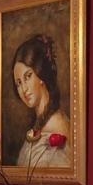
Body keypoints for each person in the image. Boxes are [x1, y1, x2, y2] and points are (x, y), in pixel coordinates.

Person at [12, 34, 72, 170]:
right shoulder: (39, 124)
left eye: (28, 76)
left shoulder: (56, 126)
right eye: (18, 83)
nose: (24, 89)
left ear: (40, 74)